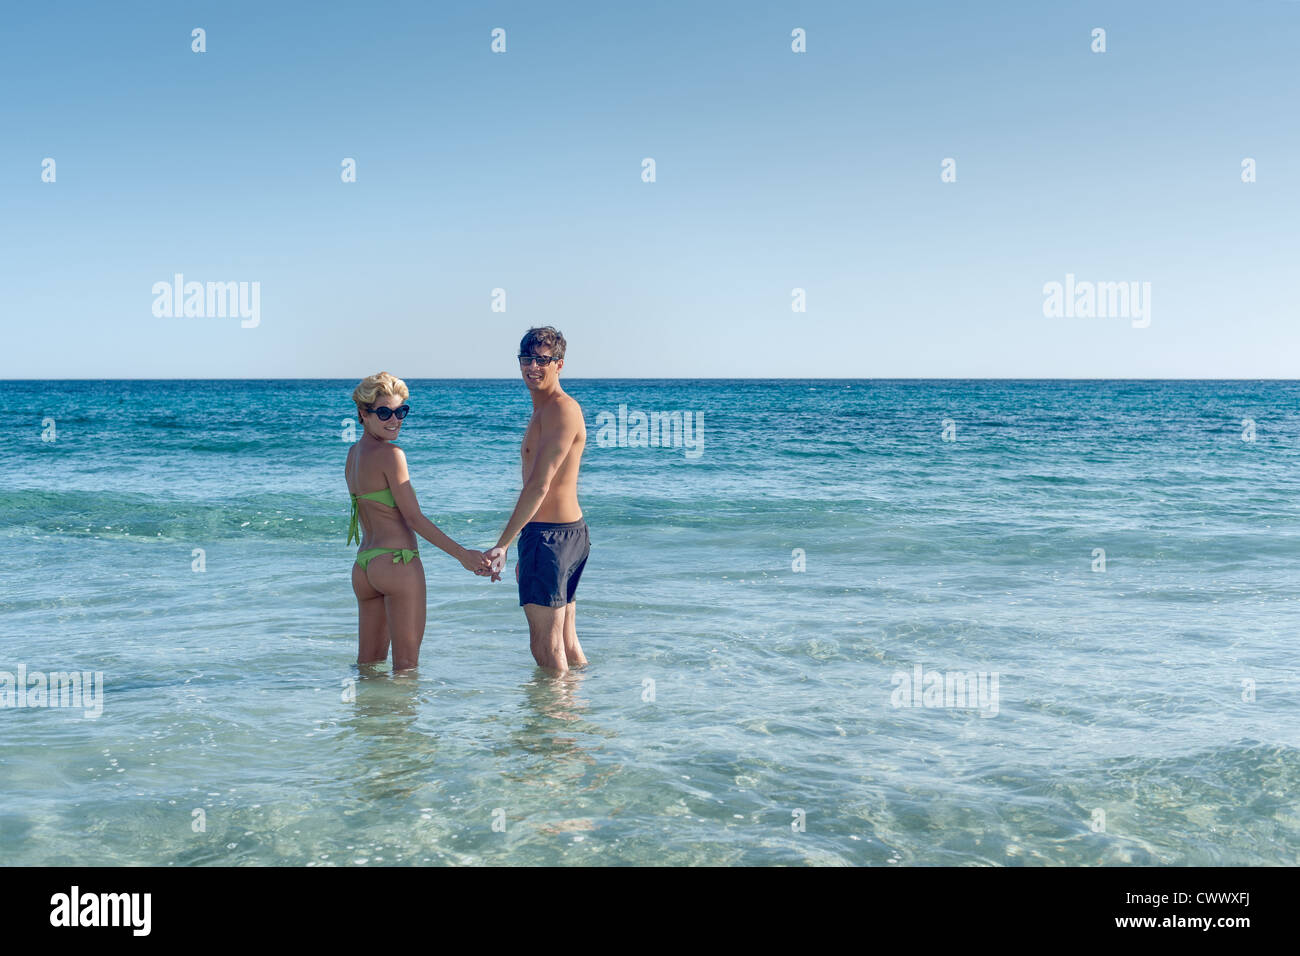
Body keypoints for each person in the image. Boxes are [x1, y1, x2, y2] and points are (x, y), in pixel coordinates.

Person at [345, 372, 491, 671]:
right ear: (363, 414)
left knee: (367, 669)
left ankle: (366, 718)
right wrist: (464, 555)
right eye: (384, 412)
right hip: (398, 564)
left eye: (401, 411)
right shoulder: (392, 454)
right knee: (406, 671)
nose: (395, 420)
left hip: (364, 568)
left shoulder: (353, 454)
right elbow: (413, 518)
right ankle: (401, 719)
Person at [486, 328, 590, 675]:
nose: (533, 367)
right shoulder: (545, 409)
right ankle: (575, 716)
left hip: (551, 537)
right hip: (562, 536)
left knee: (546, 647)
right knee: (566, 642)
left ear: (559, 364)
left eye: (542, 360)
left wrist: (503, 545)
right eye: (526, 359)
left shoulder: (561, 410)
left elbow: (539, 485)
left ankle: (553, 727)